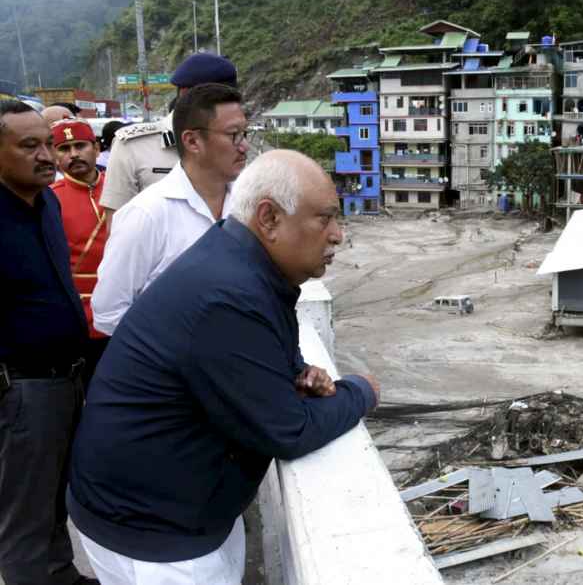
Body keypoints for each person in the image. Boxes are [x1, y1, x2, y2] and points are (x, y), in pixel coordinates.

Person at [68, 150, 379, 585]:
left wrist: (298, 370)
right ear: (268, 218)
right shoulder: (228, 294)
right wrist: (362, 391)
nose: (337, 236)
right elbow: (289, 431)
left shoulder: (241, 265)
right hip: (155, 536)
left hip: (170, 511)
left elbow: (258, 354)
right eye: (325, 219)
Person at [0, 100, 96, 585]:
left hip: (66, 378)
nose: (47, 156)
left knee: (54, 495)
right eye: (29, 145)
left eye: (48, 144)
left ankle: (59, 573)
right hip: (22, 389)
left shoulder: (49, 202)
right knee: (25, 513)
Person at [92, 83, 248, 335]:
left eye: (245, 133)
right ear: (192, 141)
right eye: (233, 135)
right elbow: (108, 313)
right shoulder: (146, 215)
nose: (244, 146)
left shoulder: (247, 205)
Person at [99, 53, 238, 216]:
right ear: (186, 94)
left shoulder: (235, 142)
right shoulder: (132, 147)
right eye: (219, 101)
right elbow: (116, 225)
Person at [50, 119, 110, 386]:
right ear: (54, 156)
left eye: (80, 145)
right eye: (64, 148)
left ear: (96, 148)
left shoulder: (122, 188)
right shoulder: (48, 198)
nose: (73, 154)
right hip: (78, 317)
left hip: (127, 311)